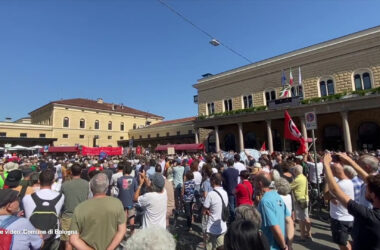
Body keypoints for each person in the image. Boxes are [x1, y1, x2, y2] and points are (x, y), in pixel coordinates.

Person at [323, 153, 380, 250]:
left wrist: (326, 165)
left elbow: (335, 190)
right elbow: (369, 181)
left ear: (373, 195)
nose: (365, 186)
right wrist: (350, 162)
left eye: (367, 188)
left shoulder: (368, 215)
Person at [69, 173, 126, 250]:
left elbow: (73, 239)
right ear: (107, 187)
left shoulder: (79, 208)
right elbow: (121, 231)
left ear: (91, 188)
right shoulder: (117, 203)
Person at [22, 169, 65, 249]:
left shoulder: (26, 198)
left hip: (33, 237)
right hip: (53, 236)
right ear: (53, 181)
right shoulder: (61, 197)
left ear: (39, 180)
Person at [256, 173, 293, 250]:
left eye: (254, 181)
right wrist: (289, 244)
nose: (253, 183)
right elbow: (289, 221)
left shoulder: (265, 201)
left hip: (272, 246)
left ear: (260, 183)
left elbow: (274, 226)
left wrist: (283, 246)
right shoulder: (277, 196)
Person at [324, 161, 354, 250]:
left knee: (342, 243)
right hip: (351, 216)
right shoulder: (350, 181)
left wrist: (327, 181)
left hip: (340, 218)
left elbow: (326, 196)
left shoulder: (339, 185)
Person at [61, 163, 89, 250]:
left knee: (68, 242)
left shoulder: (65, 185)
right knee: (81, 242)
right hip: (82, 216)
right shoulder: (87, 184)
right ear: (81, 172)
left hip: (68, 216)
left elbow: (61, 201)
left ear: (71, 172)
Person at [203, 173, 228, 250]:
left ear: (213, 181)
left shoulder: (211, 194)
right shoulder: (225, 192)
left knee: (209, 246)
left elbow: (204, 210)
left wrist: (206, 211)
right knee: (220, 247)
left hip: (211, 226)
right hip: (222, 225)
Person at [290, 164, 311, 241]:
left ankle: (302, 236)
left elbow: (289, 186)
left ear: (296, 171)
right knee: (306, 217)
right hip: (305, 198)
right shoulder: (304, 177)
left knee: (301, 219)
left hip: (299, 199)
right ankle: (309, 233)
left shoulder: (297, 179)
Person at [117, 161, 138, 234]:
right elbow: (136, 190)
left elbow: (118, 190)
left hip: (122, 202)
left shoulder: (119, 180)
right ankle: (132, 232)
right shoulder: (134, 179)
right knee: (132, 217)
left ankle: (123, 233)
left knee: (124, 218)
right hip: (131, 202)